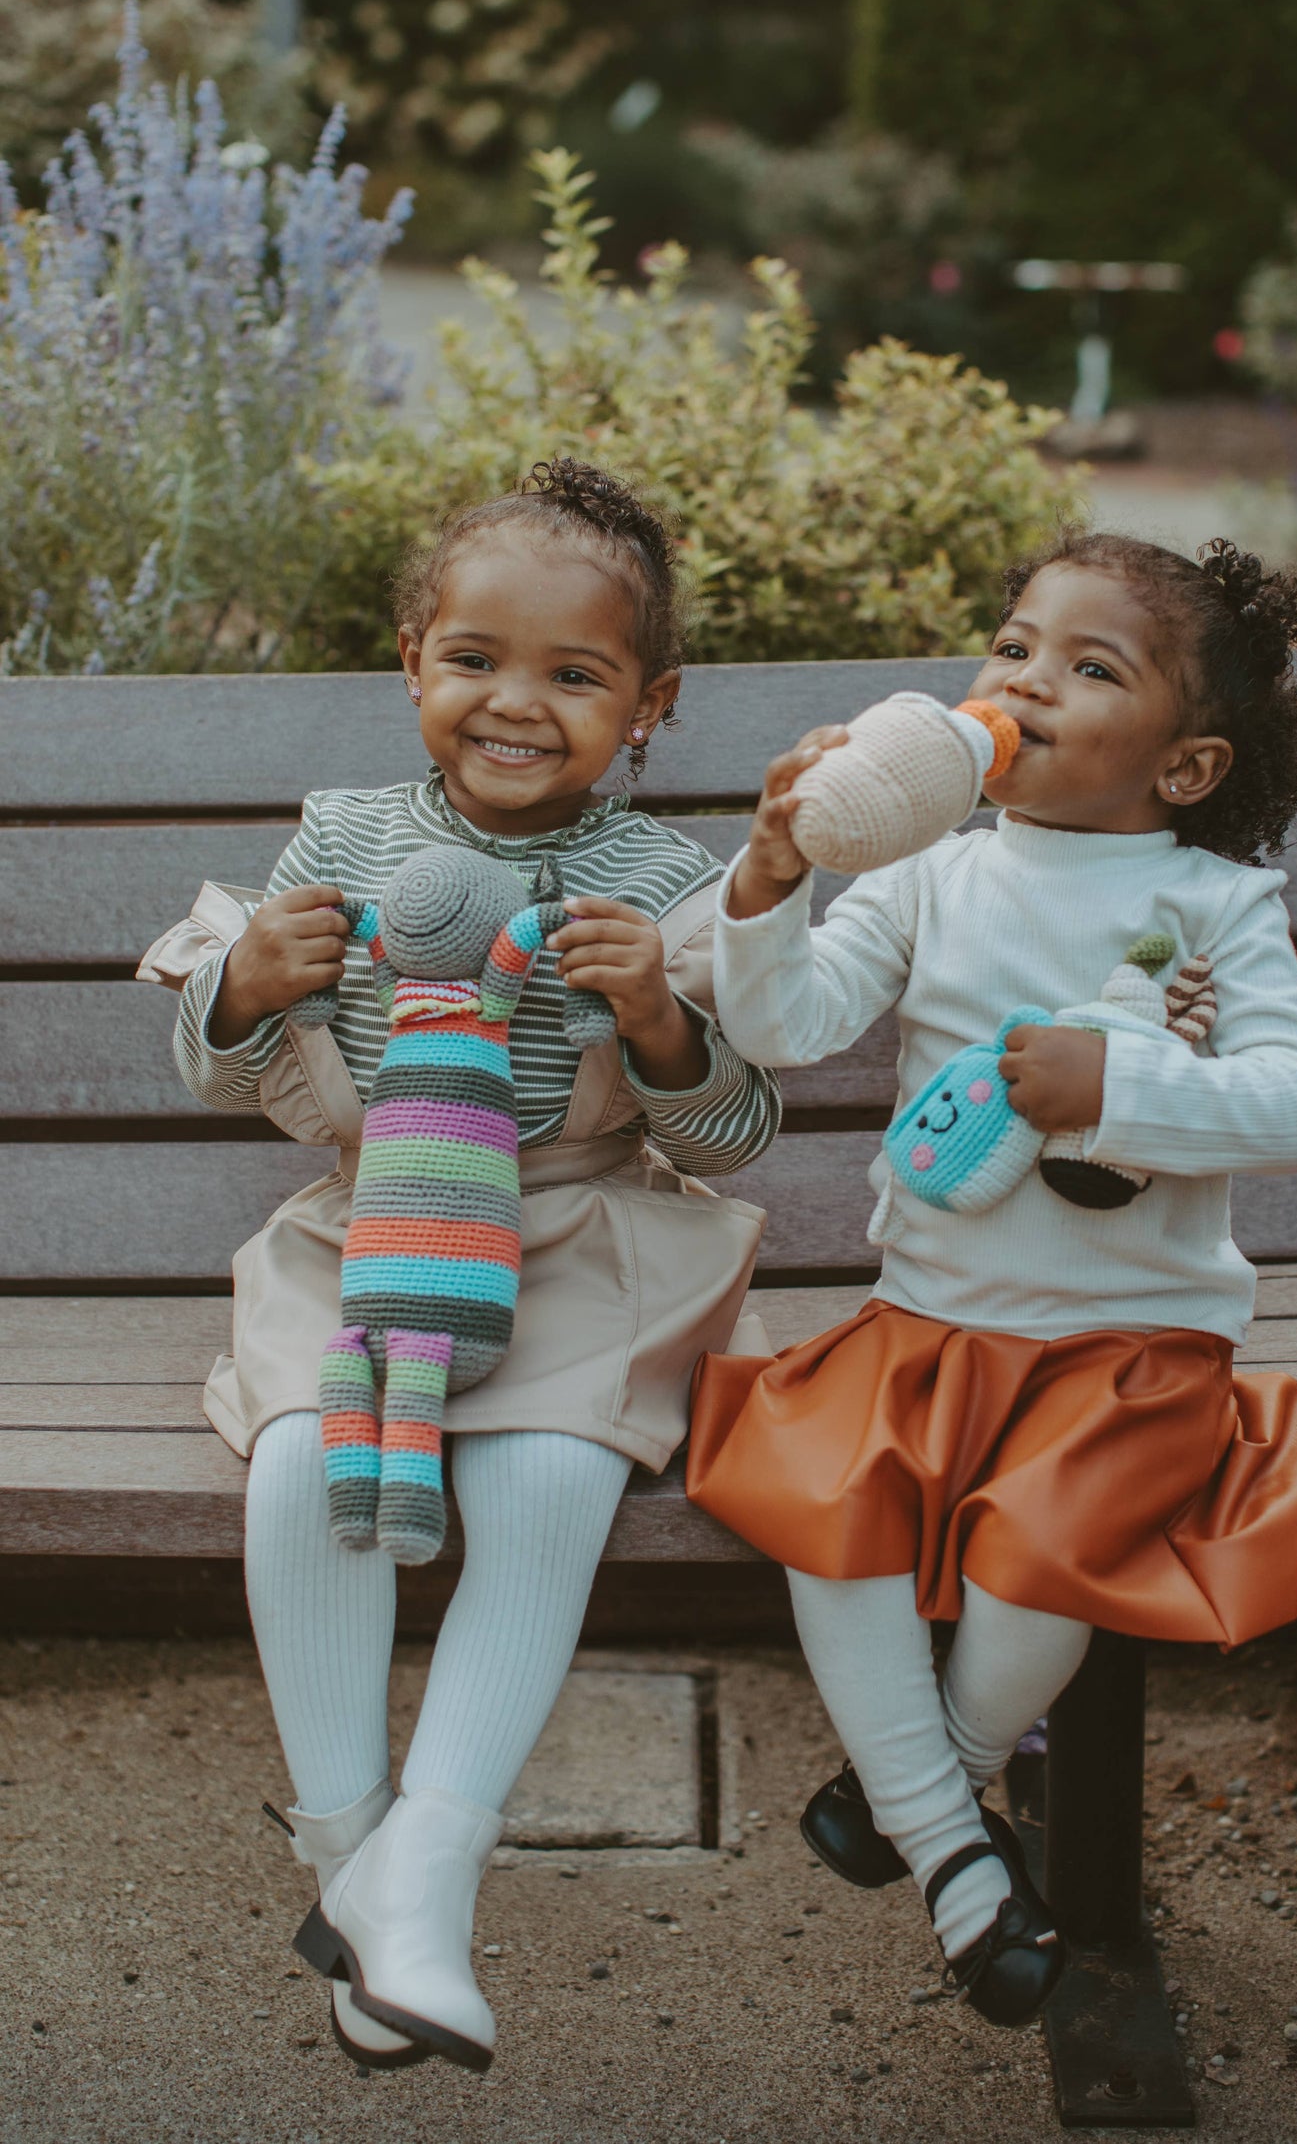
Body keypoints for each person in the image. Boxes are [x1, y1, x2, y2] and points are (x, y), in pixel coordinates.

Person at [150, 458, 779, 2074]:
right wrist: (238, 991)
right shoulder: (339, 835)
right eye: (476, 657)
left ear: (651, 704)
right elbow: (223, 1073)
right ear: (413, 659)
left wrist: (662, 1021)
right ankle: (356, 1859)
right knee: (301, 1471)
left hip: (582, 1234)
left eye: (576, 673)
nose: (518, 701)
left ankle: (435, 1845)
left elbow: (729, 1137)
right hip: (362, 1237)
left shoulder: (667, 884)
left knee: (552, 1487)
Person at [687, 534, 1297, 2029]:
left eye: (1088, 666)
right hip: (932, 1326)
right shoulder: (928, 870)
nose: (1026, 680)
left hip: (1132, 1349)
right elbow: (788, 1026)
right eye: (1013, 643)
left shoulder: (1221, 904)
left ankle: (921, 1795)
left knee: (1041, 1555)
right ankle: (957, 1859)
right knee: (825, 1515)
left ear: (1183, 767)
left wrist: (1112, 1088)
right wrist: (770, 873)